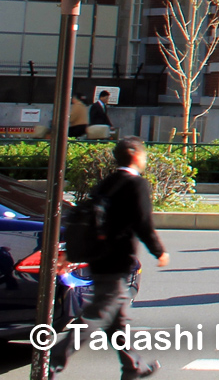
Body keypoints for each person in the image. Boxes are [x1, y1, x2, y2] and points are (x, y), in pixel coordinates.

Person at [47, 137, 168, 379]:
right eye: (143, 155)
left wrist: (71, 253)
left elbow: (89, 222)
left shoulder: (106, 183)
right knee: (98, 314)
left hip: (98, 258)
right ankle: (51, 363)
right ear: (135, 156)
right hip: (118, 259)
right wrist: (159, 251)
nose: (144, 159)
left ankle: (134, 366)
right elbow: (143, 223)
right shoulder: (136, 184)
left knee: (116, 320)